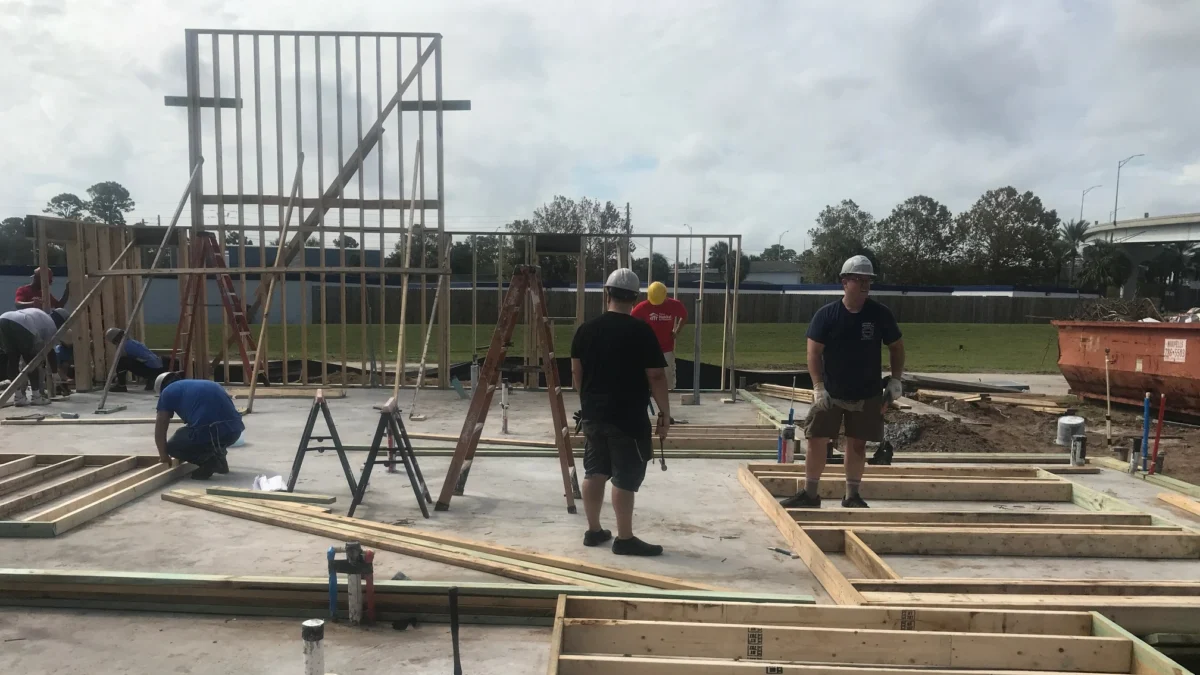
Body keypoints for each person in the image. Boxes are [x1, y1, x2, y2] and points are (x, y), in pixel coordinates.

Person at [781, 255, 905, 509]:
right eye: (859, 279)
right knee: (816, 439)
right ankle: (810, 493)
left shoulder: (880, 314)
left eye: (868, 280)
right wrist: (818, 387)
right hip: (832, 392)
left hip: (867, 393)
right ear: (844, 282)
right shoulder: (827, 315)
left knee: (857, 444)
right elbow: (813, 353)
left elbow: (896, 348)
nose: (865, 285)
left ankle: (852, 495)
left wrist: (895, 379)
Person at [571, 268, 671, 556]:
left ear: (607, 293)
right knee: (624, 477)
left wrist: (588, 401)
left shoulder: (585, 330)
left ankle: (593, 530)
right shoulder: (641, 331)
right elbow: (656, 377)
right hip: (627, 419)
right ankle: (624, 538)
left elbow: (577, 372)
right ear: (635, 298)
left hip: (592, 416)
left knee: (595, 471)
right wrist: (664, 414)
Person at [154, 372, 245, 479]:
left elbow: (160, 427)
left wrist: (163, 455)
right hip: (235, 431)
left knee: (174, 445)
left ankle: (209, 462)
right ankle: (220, 461)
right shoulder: (206, 383)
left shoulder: (167, 392)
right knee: (210, 431)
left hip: (210, 431)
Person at [0, 307, 68, 406]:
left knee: (12, 359)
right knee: (31, 361)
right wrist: (54, 372)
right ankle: (36, 396)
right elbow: (50, 350)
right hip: (22, 324)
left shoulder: (42, 316)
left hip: (3, 319)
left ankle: (18, 397)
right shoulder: (51, 326)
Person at [631, 281, 688, 390]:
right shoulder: (643, 307)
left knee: (668, 377)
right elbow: (631, 320)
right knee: (649, 376)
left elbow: (684, 316)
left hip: (666, 348)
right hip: (648, 348)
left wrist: (677, 331)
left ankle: (669, 396)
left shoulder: (674, 305)